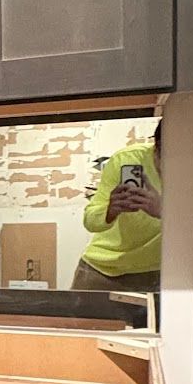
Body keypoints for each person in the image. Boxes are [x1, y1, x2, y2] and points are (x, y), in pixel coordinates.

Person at [73, 123, 162, 292]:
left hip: (159, 274)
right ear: (156, 147)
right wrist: (110, 211)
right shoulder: (127, 159)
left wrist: (163, 211)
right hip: (101, 269)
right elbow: (90, 221)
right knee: (75, 319)